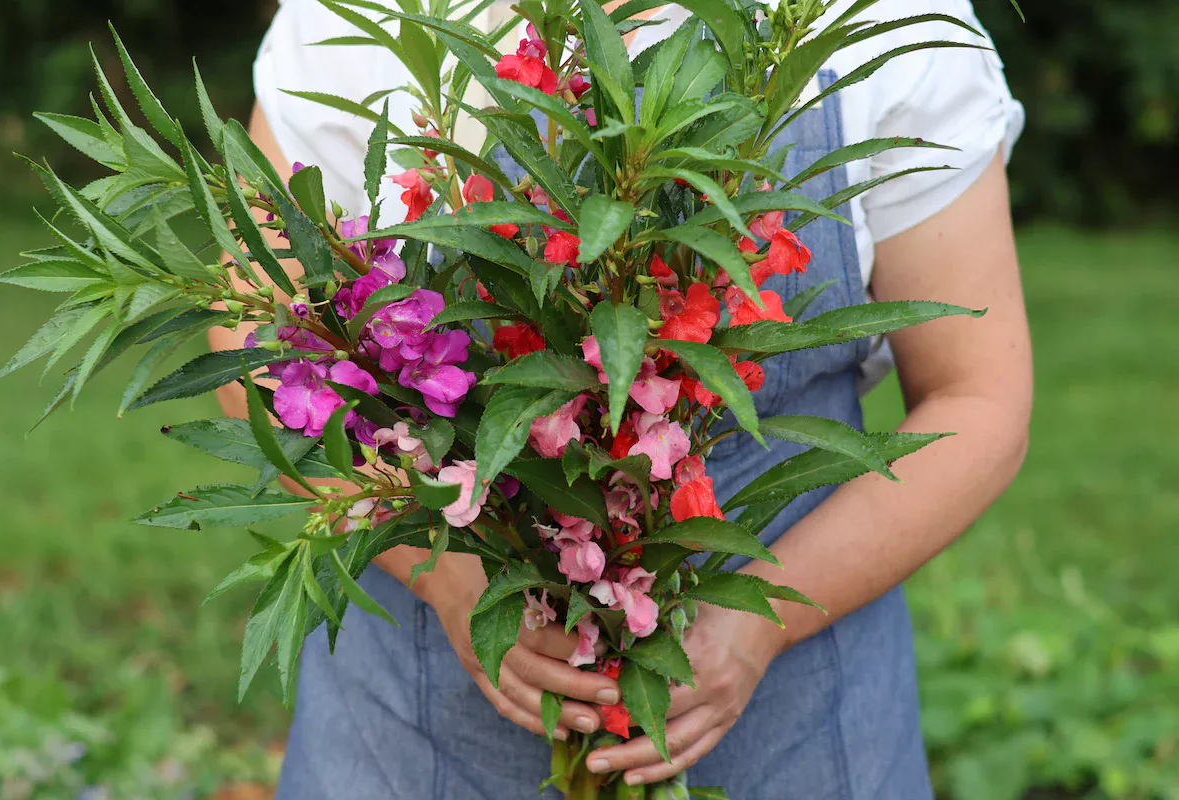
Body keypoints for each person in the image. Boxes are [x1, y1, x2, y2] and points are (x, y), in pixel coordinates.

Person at [210, 0, 1033, 796]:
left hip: (792, 729)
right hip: (411, 737)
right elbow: (261, 353)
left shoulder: (879, 27)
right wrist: (455, 581)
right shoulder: (349, 19)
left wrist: (760, 623)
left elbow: (979, 397)